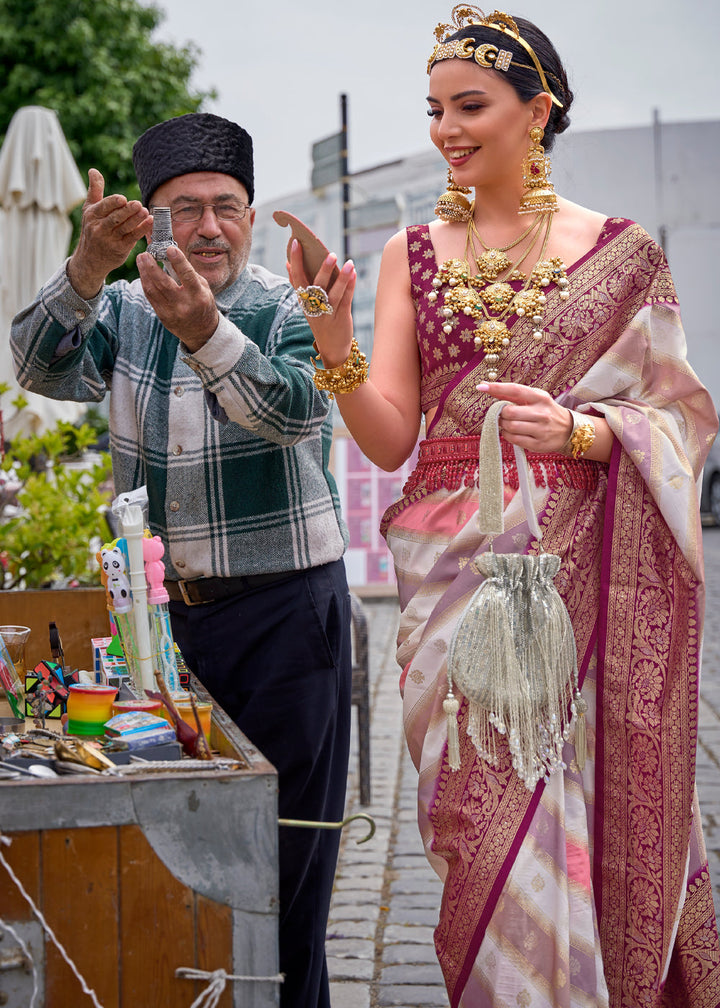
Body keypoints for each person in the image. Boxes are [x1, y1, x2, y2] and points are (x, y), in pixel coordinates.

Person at [287, 6, 720, 1006]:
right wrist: (333, 340)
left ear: (538, 111)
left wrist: (581, 434)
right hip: (454, 586)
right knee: (475, 821)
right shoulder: (410, 255)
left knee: (588, 806)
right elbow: (392, 435)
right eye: (435, 109)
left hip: (586, 586)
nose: (445, 128)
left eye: (469, 105)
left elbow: (678, 422)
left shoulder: (622, 254)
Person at [11, 111, 352, 1008]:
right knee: (175, 851)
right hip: (160, 626)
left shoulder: (289, 306)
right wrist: (87, 268)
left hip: (288, 615)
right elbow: (37, 367)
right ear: (147, 221)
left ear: (250, 212)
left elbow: (289, 414)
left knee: (288, 863)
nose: (208, 229)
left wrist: (207, 334)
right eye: (184, 209)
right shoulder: (122, 309)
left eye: (227, 207)